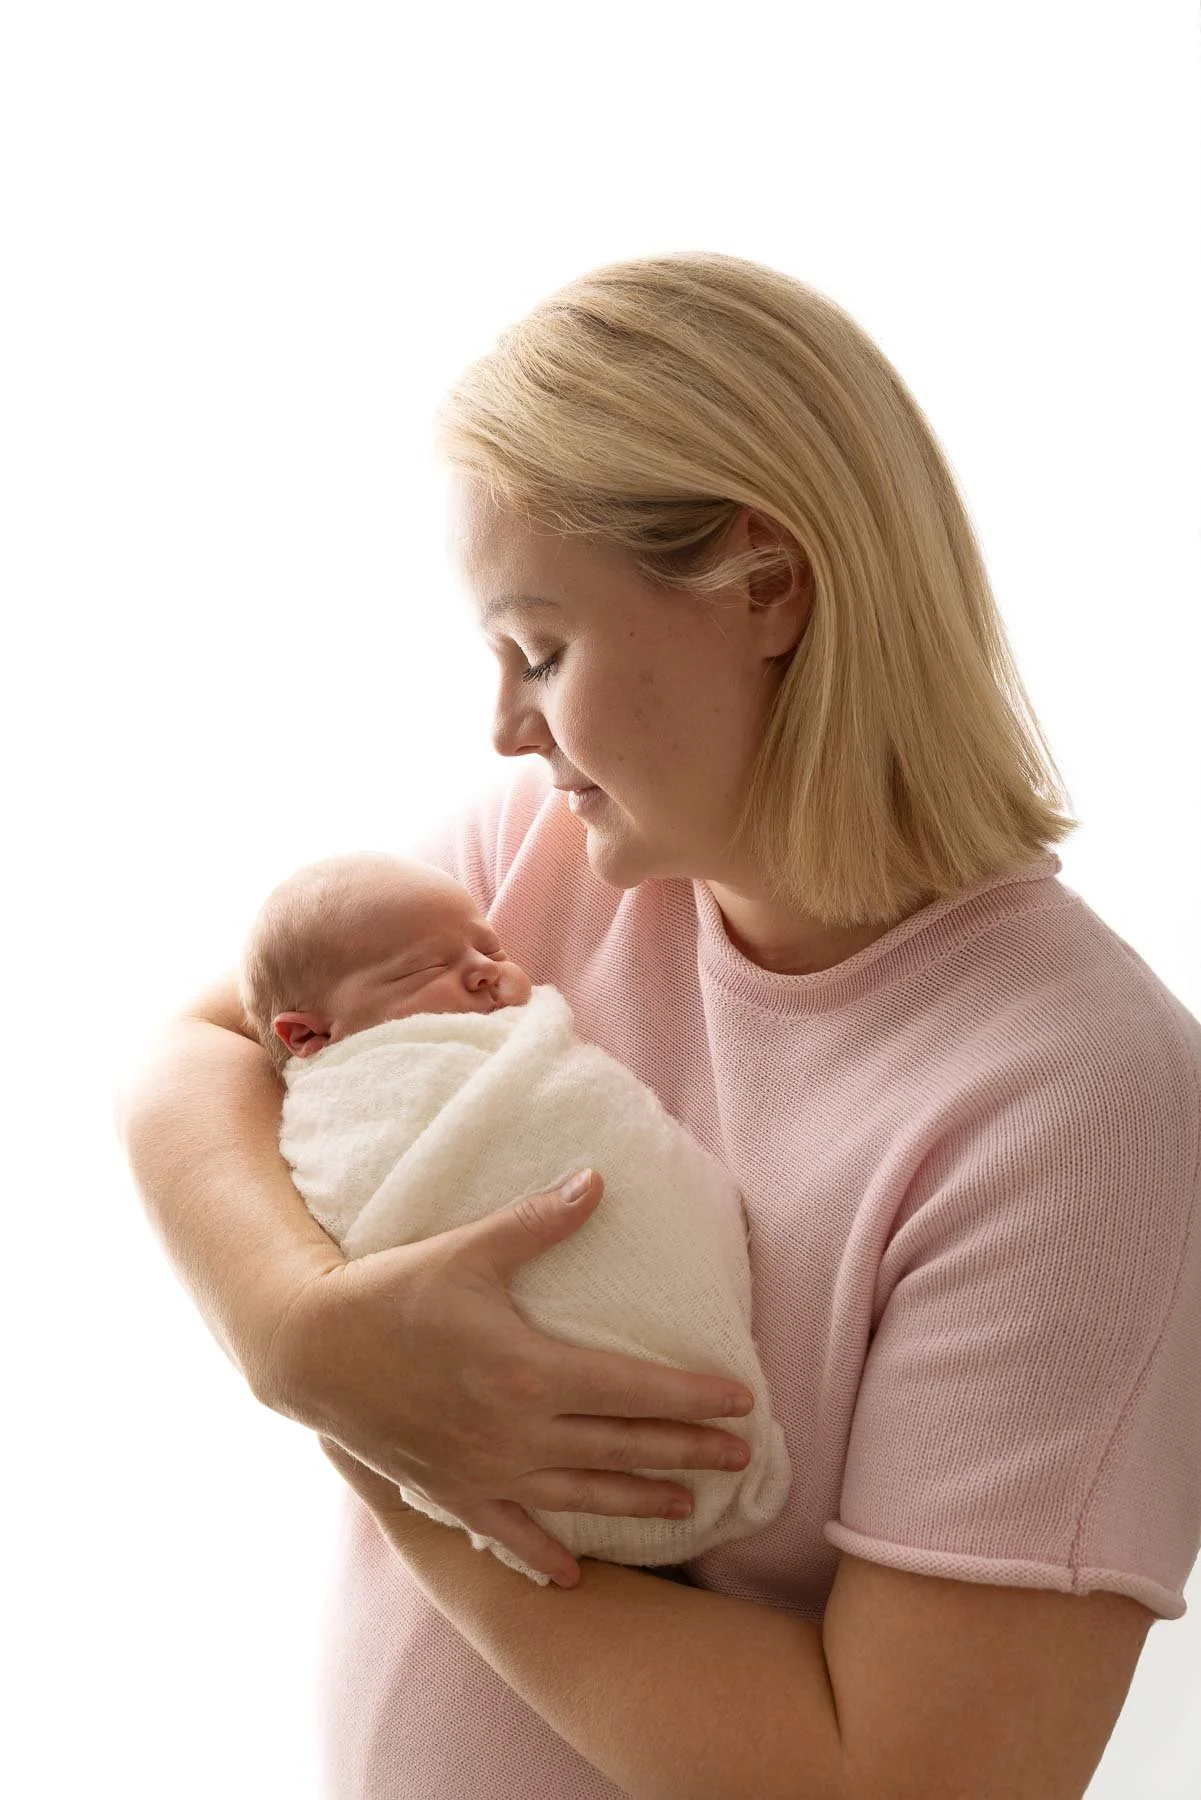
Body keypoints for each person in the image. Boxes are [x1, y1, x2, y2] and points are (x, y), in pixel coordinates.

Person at [116, 251, 1201, 1800]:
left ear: (766, 590)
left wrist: (407, 1446)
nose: (506, 724)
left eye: (542, 650)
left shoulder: (1075, 1103)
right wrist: (298, 1336)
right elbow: (206, 1051)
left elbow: (893, 1779)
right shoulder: (539, 852)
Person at [235, 848, 792, 1582]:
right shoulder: (356, 1093)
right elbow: (182, 1049)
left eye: (489, 948)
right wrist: (294, 1332)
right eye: (417, 971)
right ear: (309, 1037)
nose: (487, 971)